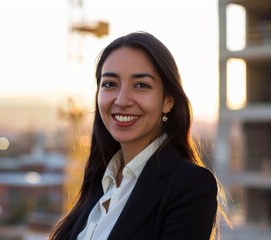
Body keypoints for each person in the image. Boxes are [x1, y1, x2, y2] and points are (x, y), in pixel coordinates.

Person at [49, 31, 228, 240]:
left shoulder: (190, 186)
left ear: (167, 101)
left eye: (141, 85)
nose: (122, 100)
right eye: (110, 84)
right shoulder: (100, 181)